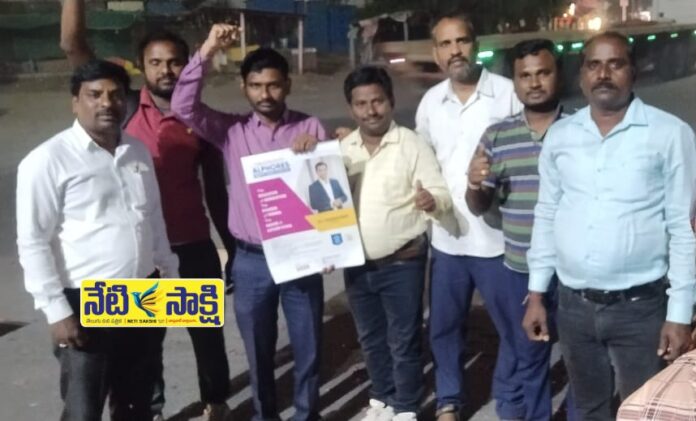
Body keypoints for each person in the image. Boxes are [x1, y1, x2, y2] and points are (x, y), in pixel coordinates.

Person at [59, 2, 235, 419]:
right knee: (146, 343)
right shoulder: (121, 109)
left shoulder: (200, 120)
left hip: (193, 246)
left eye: (174, 62)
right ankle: (150, 409)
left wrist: (233, 249)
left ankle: (216, 400)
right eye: (155, 63)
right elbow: (73, 46)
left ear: (187, 66)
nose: (166, 71)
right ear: (142, 67)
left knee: (207, 336)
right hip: (143, 256)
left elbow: (216, 192)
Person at [523, 31, 696, 420]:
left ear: (634, 71)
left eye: (615, 64)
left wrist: (680, 312)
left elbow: (683, 228)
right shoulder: (561, 136)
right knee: (588, 408)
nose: (603, 74)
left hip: (641, 309)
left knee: (642, 409)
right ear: (582, 74)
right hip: (573, 306)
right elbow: (547, 213)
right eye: (594, 65)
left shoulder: (669, 134)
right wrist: (536, 293)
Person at [171, 24, 327, 421]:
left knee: (308, 347)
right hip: (252, 260)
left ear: (287, 85)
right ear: (244, 87)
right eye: (256, 86)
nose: (265, 94)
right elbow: (184, 107)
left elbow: (329, 191)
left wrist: (319, 150)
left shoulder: (309, 127)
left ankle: (306, 415)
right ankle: (264, 415)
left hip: (301, 256)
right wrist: (207, 50)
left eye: (273, 85)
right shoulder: (231, 131)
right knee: (258, 351)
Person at [16, 60, 179, 421]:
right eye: (94, 95)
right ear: (75, 102)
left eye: (116, 95)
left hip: (143, 294)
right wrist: (57, 311)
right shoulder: (46, 160)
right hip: (85, 301)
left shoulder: (136, 151)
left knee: (138, 401)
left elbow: (153, 217)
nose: (107, 103)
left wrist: (170, 278)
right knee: (83, 408)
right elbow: (33, 242)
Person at [414, 13, 522, 421]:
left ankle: (509, 397)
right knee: (444, 328)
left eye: (461, 41)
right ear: (436, 53)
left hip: (498, 239)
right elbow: (422, 161)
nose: (455, 50)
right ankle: (449, 400)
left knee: (512, 327)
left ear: (476, 45)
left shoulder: (507, 94)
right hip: (447, 238)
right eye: (445, 44)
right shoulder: (430, 103)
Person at [341, 66, 452, 421]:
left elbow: (440, 192)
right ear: (351, 108)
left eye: (377, 101)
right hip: (357, 265)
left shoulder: (411, 144)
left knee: (403, 339)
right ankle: (382, 399)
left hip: (402, 261)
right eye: (361, 104)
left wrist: (431, 201)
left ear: (390, 101)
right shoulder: (343, 150)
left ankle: (406, 406)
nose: (370, 110)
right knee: (370, 338)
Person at [465, 39, 565, 421]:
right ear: (516, 81)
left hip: (575, 269)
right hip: (521, 268)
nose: (534, 82)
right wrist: (474, 184)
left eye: (543, 73)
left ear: (557, 75)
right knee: (530, 356)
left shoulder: (581, 129)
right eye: (525, 76)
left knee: (580, 357)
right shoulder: (497, 136)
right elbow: (478, 206)